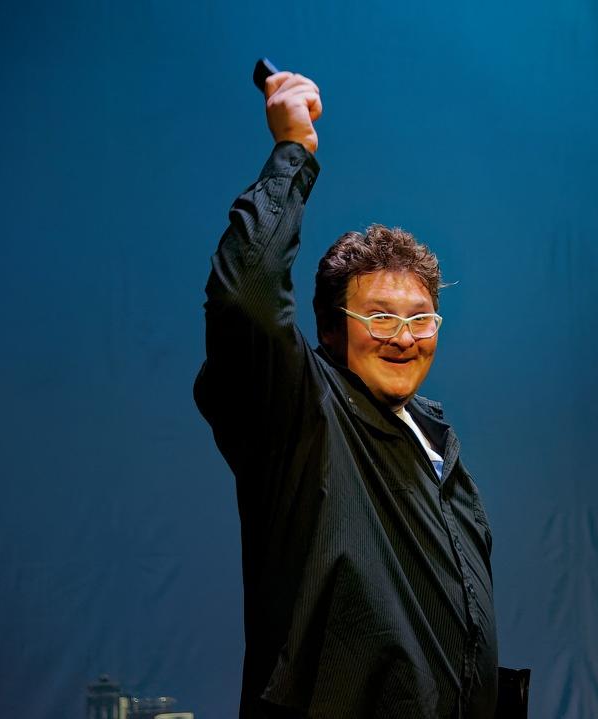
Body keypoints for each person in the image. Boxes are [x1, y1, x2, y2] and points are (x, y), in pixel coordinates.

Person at [194, 70, 498, 718]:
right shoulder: (302, 414)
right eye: (380, 318)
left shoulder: (437, 444)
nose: (404, 337)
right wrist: (293, 151)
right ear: (332, 330)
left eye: (421, 319)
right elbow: (247, 298)